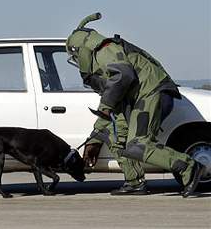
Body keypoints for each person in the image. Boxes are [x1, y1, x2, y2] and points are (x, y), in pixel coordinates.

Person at [67, 13, 206, 197]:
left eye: (75, 55)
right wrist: (95, 138)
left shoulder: (105, 50)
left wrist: (105, 107)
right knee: (116, 138)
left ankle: (189, 166)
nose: (76, 61)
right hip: (140, 97)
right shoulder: (103, 57)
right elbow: (112, 106)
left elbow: (123, 76)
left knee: (137, 144)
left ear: (81, 49)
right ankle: (134, 182)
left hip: (150, 93)